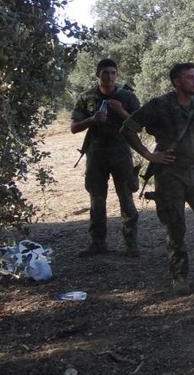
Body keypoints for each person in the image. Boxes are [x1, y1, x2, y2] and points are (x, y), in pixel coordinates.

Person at [120, 63, 194, 295]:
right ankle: (179, 278)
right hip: (170, 175)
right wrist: (149, 155)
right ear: (176, 81)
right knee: (176, 228)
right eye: (189, 77)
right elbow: (128, 128)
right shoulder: (159, 104)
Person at [70, 58, 141, 257]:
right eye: (105, 72)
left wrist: (120, 111)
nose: (109, 76)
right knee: (97, 201)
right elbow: (74, 127)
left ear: (116, 75)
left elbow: (139, 126)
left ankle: (131, 244)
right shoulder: (87, 98)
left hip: (120, 154)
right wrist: (92, 120)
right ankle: (98, 243)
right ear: (97, 74)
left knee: (126, 199)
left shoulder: (127, 97)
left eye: (112, 72)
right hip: (96, 154)